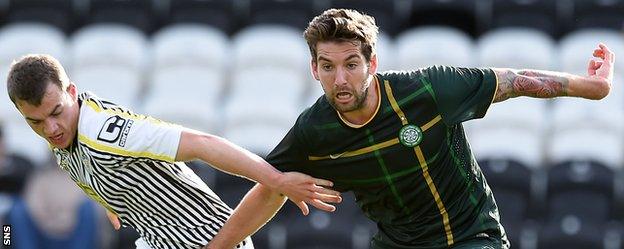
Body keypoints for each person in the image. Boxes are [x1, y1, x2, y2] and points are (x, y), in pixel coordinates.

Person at [206, 8, 615, 249]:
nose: (341, 80)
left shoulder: (428, 89)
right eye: (328, 67)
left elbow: (514, 80)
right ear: (314, 69)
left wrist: (592, 88)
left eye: (351, 64)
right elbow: (271, 186)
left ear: (372, 63)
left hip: (471, 237)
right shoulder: (315, 131)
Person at [5, 54, 342, 249]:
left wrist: (277, 180)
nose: (50, 129)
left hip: (206, 239)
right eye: (35, 122)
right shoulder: (65, 136)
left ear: (72, 92)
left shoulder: (107, 133)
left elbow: (202, 144)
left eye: (55, 113)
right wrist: (112, 203)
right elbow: (84, 166)